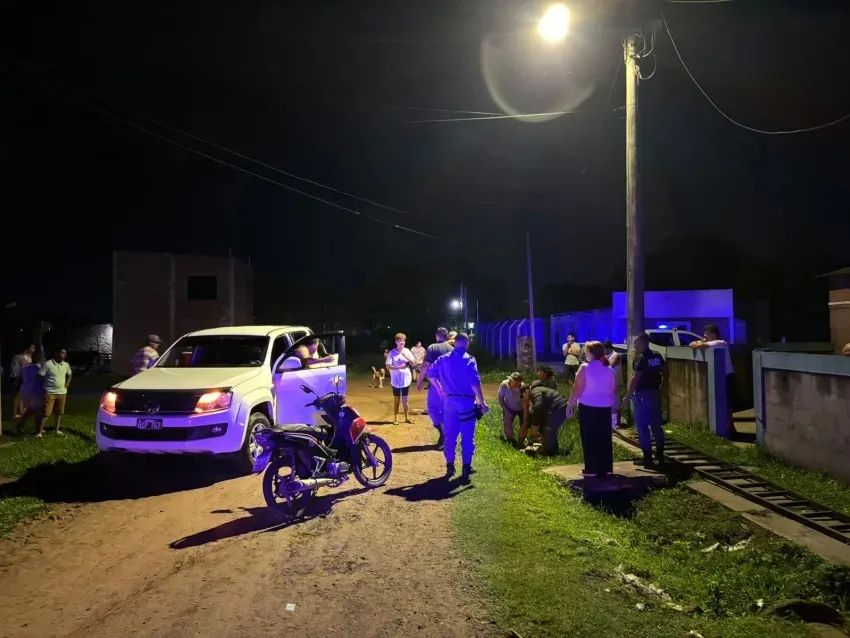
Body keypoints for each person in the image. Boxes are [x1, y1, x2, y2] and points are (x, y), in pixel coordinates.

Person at [429, 333, 488, 481]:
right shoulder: (469, 359)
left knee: (449, 436)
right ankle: (466, 468)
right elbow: (475, 383)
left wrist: (439, 388)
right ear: (466, 343)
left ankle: (450, 466)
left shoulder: (443, 359)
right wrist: (482, 402)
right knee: (467, 436)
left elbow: (430, 374)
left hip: (449, 402)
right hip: (466, 403)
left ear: (454, 343)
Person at [567, 341, 617, 477]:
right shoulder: (609, 369)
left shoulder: (585, 367)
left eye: (586, 352)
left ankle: (591, 469)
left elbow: (577, 388)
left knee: (589, 438)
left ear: (590, 353)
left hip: (588, 407)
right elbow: (612, 390)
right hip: (605, 407)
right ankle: (607, 468)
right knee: (604, 438)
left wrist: (570, 404)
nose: (584, 354)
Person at [624, 333, 667, 468]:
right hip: (654, 393)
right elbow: (666, 372)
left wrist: (627, 396)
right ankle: (660, 454)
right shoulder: (657, 355)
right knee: (656, 424)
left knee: (642, 426)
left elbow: (636, 378)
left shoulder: (641, 358)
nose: (634, 345)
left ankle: (647, 458)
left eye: (636, 343)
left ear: (642, 343)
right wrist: (662, 387)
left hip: (642, 395)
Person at [690, 324, 736, 436]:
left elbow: (700, 345)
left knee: (727, 404)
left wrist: (700, 342)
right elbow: (691, 344)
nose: (704, 336)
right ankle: (728, 428)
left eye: (707, 334)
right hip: (719, 377)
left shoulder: (720, 343)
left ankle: (730, 429)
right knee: (720, 403)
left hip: (727, 377)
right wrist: (700, 341)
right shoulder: (710, 343)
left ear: (714, 334)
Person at [418, 327, 454, 448]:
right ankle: (447, 435)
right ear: (447, 336)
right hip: (449, 384)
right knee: (445, 409)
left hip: (435, 383)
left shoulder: (432, 348)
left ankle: (443, 432)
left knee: (432, 408)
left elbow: (425, 366)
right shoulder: (452, 349)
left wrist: (419, 380)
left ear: (436, 335)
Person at [38, 347, 72, 437]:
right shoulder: (48, 364)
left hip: (62, 392)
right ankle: (39, 432)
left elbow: (70, 374)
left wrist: (67, 383)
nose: (64, 355)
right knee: (46, 413)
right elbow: (40, 375)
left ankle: (57, 430)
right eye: (62, 353)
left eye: (65, 353)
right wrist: (45, 386)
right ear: (56, 353)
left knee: (59, 412)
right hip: (50, 392)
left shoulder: (66, 365)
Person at [386, 333, 417, 425]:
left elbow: (413, 363)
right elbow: (388, 366)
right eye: (400, 341)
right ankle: (395, 418)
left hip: (405, 379)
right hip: (395, 379)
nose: (402, 342)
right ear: (396, 342)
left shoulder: (407, 351)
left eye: (403, 341)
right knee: (396, 399)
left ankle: (407, 418)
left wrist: (405, 356)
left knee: (405, 399)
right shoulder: (392, 353)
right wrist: (399, 367)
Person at [17, 350, 44, 434]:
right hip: (36, 391)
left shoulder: (24, 368)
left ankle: (21, 424)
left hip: (25, 391)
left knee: (31, 408)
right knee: (38, 411)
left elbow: (19, 379)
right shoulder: (40, 367)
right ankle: (38, 431)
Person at [10, 343, 35, 418]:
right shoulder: (19, 357)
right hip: (17, 378)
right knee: (18, 396)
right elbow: (26, 364)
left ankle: (20, 413)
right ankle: (15, 414)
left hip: (17, 377)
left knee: (20, 396)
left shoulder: (16, 357)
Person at [498, 372, 524, 444]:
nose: (516, 384)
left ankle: (521, 440)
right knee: (507, 422)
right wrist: (506, 411)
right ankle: (510, 440)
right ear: (510, 379)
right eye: (514, 381)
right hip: (509, 407)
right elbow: (500, 399)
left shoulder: (523, 386)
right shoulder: (504, 385)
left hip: (521, 408)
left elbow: (526, 400)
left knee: (524, 424)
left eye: (518, 383)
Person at [604, 340, 624, 429]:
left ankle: (618, 422)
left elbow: (609, 365)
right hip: (609, 383)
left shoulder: (615, 355)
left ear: (608, 348)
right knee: (609, 403)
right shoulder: (606, 356)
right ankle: (612, 422)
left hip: (616, 383)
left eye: (604, 349)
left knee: (616, 403)